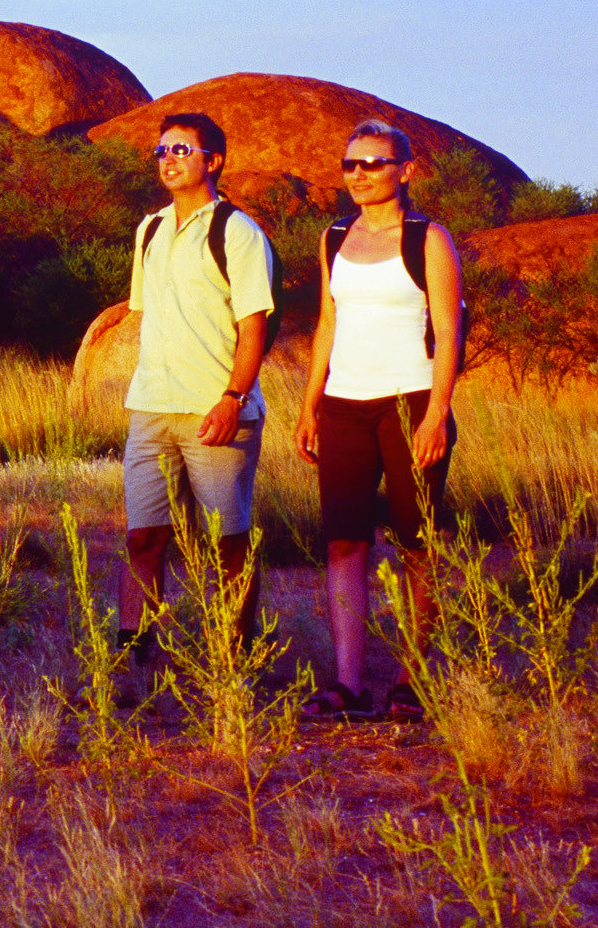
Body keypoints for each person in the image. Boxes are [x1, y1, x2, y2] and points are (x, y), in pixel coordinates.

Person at [294, 118, 466, 716]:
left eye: (373, 163)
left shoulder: (428, 239)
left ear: (406, 171)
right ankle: (347, 682)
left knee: (416, 544)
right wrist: (310, 403)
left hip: (410, 402)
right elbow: (327, 323)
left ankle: (411, 680)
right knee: (344, 541)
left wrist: (437, 413)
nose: (360, 175)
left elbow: (448, 333)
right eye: (351, 165)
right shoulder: (333, 235)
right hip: (344, 404)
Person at [111, 109, 276, 614]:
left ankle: (237, 657)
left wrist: (232, 401)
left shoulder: (238, 232)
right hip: (151, 410)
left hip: (216, 414)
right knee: (143, 540)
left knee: (227, 546)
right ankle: (131, 652)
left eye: (181, 150)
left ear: (214, 161)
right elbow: (148, 316)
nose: (168, 159)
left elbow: (255, 326)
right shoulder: (150, 230)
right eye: (162, 150)